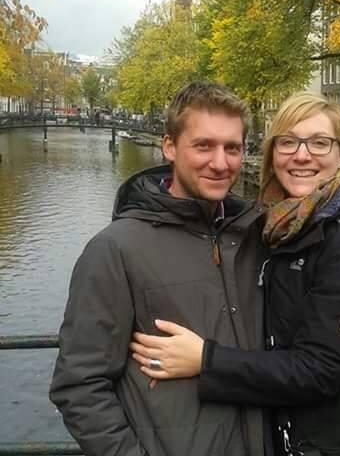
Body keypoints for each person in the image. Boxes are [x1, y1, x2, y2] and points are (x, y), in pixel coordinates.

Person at [130, 93, 340, 456]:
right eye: (288, 142)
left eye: (320, 143)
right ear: (273, 154)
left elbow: (322, 368)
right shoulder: (282, 225)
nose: (301, 155)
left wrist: (205, 360)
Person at [49, 82, 266, 456]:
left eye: (232, 148)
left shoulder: (256, 237)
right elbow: (80, 385)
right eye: (204, 146)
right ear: (169, 147)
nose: (221, 163)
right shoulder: (115, 249)